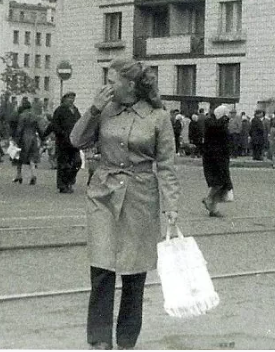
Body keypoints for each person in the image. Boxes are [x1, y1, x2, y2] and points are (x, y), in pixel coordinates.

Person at [70, 58, 179, 351]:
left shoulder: (158, 117)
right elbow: (76, 140)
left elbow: (167, 165)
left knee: (134, 271)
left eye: (112, 80)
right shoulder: (104, 110)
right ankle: (100, 339)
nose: (107, 86)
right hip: (104, 195)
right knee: (102, 266)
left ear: (130, 85)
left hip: (140, 196)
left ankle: (127, 341)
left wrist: (171, 205)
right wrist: (92, 109)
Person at [45, 92, 82, 193]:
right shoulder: (60, 110)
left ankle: (70, 180)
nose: (72, 100)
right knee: (63, 164)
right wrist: (61, 133)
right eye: (69, 98)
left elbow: (80, 122)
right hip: (63, 141)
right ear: (64, 99)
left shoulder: (75, 110)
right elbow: (54, 124)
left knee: (77, 162)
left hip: (74, 141)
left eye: (73, 98)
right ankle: (63, 185)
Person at [202, 104, 234, 215]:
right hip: (215, 158)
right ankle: (209, 199)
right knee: (219, 182)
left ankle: (213, 209)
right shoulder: (214, 124)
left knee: (220, 183)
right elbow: (219, 132)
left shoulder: (216, 124)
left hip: (217, 157)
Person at [13, 100, 44, 185]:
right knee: (32, 158)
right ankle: (33, 175)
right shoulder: (35, 116)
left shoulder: (22, 116)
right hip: (33, 138)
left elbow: (19, 129)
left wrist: (16, 139)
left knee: (19, 157)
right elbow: (39, 129)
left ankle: (19, 175)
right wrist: (42, 138)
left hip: (24, 138)